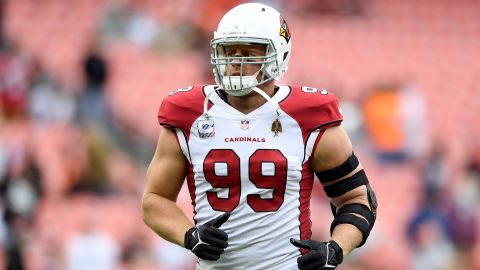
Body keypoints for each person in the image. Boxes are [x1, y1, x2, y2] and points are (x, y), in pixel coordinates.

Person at [142, 3, 377, 270]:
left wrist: (335, 249)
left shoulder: (308, 115)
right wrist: (189, 234)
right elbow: (154, 200)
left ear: (278, 54)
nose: (236, 62)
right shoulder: (189, 113)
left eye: (250, 53)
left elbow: (357, 199)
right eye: (229, 52)